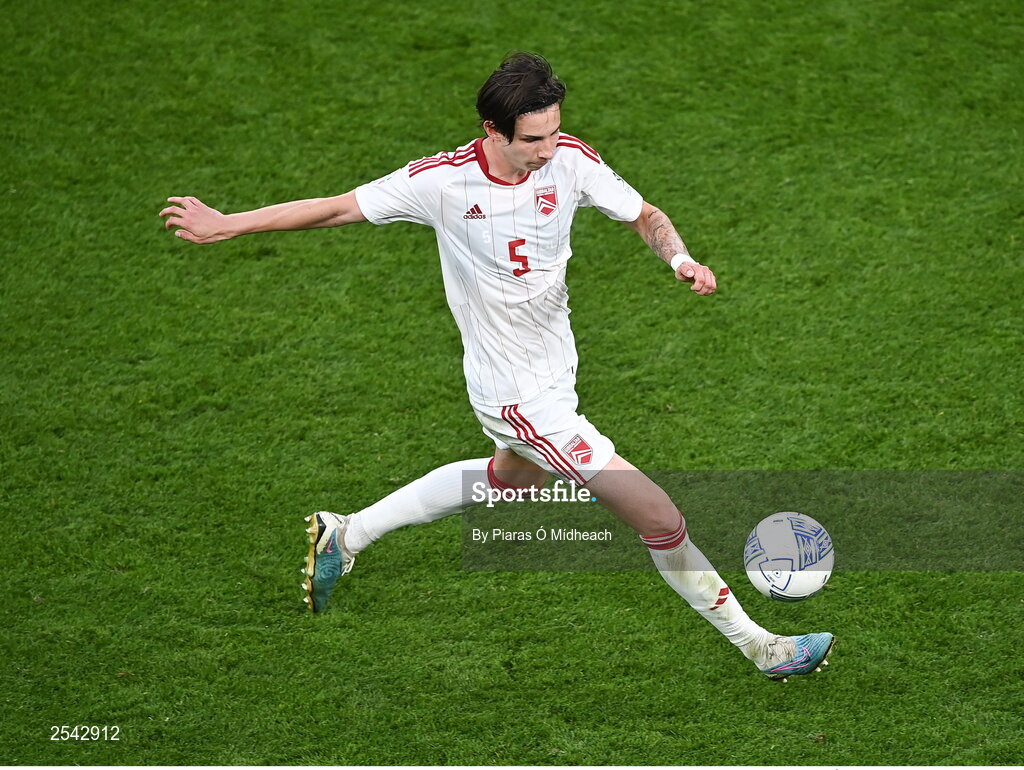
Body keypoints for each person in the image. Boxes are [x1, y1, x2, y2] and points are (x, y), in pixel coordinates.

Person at [160, 52, 833, 681]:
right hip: (516, 395)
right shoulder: (441, 183)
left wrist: (680, 259)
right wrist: (229, 224)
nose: (549, 151)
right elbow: (337, 208)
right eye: (533, 140)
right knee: (659, 515)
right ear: (493, 130)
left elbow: (646, 215)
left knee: (510, 483)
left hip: (554, 373)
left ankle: (347, 532)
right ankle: (762, 646)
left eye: (554, 134)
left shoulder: (569, 160)